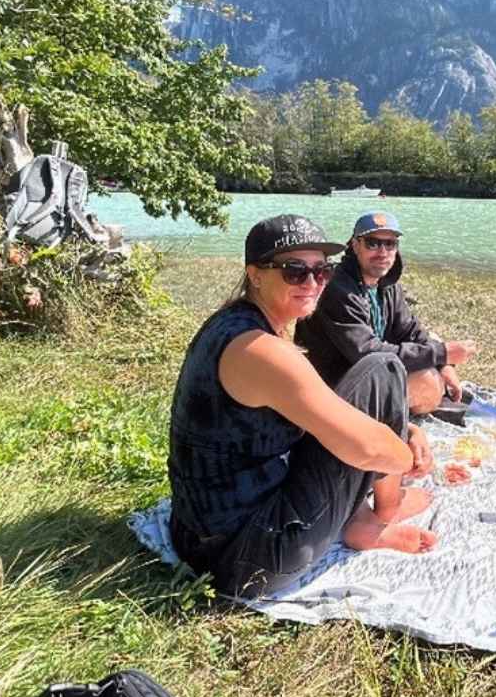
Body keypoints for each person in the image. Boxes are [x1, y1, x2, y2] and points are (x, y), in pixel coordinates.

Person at [167, 214, 438, 600]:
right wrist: (404, 456)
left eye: (322, 270)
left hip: (199, 533)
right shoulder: (264, 351)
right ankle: (382, 513)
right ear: (255, 274)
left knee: (373, 380)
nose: (312, 283)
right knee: (386, 368)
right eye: (294, 271)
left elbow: (316, 408)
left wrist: (406, 429)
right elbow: (369, 449)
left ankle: (363, 513)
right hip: (247, 560)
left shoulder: (236, 323)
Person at [295, 210, 477, 414]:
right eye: (372, 243)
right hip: (334, 385)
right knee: (427, 381)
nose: (382, 252)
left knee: (432, 344)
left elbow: (411, 332)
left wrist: (445, 364)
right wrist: (441, 354)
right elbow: (367, 353)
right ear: (355, 246)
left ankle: (407, 405)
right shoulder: (338, 289)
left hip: (369, 372)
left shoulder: (388, 285)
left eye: (390, 244)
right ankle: (401, 412)